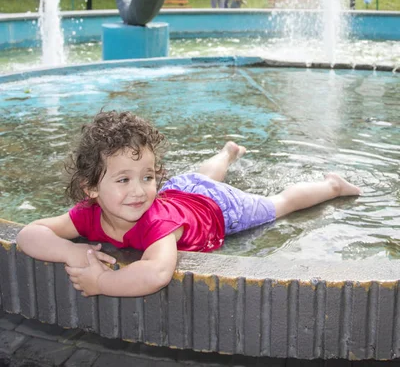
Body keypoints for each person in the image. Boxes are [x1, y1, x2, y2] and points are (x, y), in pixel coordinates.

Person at [17, 111, 361, 298]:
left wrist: (101, 283)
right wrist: (72, 253)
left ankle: (331, 186)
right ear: (90, 187)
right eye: (123, 180)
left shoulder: (156, 225)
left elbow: (156, 273)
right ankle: (227, 152)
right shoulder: (87, 214)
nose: (139, 190)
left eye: (147, 176)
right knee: (203, 176)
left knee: (278, 204)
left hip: (220, 208)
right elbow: (29, 234)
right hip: (183, 191)